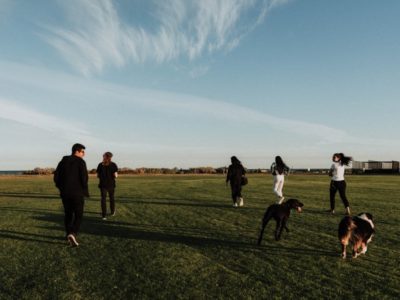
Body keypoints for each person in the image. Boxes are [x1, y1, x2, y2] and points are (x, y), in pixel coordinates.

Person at [54, 143, 89, 247]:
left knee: (68, 214)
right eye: (82, 151)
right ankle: (72, 233)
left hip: (65, 193)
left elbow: (56, 177)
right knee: (79, 214)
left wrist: (61, 188)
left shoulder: (62, 162)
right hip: (77, 193)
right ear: (77, 151)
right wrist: (84, 190)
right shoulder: (80, 162)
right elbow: (84, 178)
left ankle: (68, 233)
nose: (84, 154)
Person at [96, 152, 118, 220]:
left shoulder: (100, 165)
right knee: (111, 198)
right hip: (111, 184)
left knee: (103, 199)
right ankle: (112, 212)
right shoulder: (113, 164)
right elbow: (116, 176)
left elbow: (97, 176)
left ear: (105, 156)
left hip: (103, 184)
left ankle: (104, 215)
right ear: (110, 157)